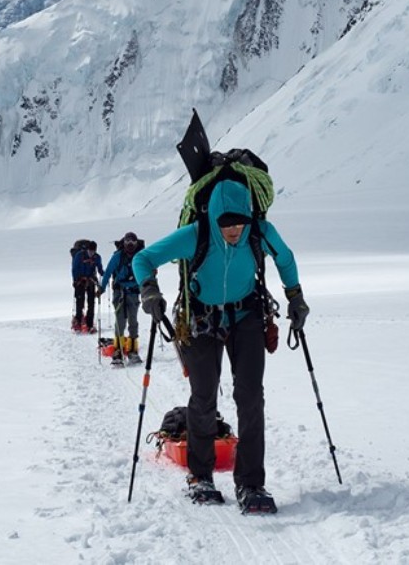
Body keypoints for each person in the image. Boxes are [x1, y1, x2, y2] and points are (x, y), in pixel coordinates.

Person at [132, 180, 309, 512]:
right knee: (203, 397)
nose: (233, 230)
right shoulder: (195, 234)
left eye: (239, 222)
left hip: (247, 315)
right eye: (226, 224)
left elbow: (285, 259)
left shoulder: (260, 231)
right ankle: (201, 476)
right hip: (201, 318)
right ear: (213, 218)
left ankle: (252, 483)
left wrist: (295, 297)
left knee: (251, 396)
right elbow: (143, 259)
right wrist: (149, 291)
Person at [100, 232, 145, 364]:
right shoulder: (118, 256)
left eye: (132, 242)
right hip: (120, 293)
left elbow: (149, 268)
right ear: (124, 243)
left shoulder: (140, 256)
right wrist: (102, 288)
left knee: (133, 321)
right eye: (128, 242)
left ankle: (132, 350)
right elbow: (108, 272)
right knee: (120, 321)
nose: (130, 245)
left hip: (133, 292)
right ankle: (118, 350)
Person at [71, 240, 104, 332]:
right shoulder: (79, 255)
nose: (91, 253)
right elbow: (74, 268)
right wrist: (75, 280)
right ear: (87, 249)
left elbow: (100, 268)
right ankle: (78, 320)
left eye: (93, 251)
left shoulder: (97, 257)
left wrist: (104, 274)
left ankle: (89, 323)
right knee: (80, 301)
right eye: (90, 251)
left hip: (90, 280)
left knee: (91, 302)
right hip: (80, 281)